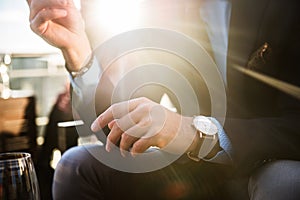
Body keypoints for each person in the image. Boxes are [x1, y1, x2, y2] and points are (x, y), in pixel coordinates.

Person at [27, 0, 300, 199]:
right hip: (199, 173)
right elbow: (116, 128)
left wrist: (194, 132)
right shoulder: (171, 14)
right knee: (77, 165)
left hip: (272, 163)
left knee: (283, 183)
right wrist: (78, 51)